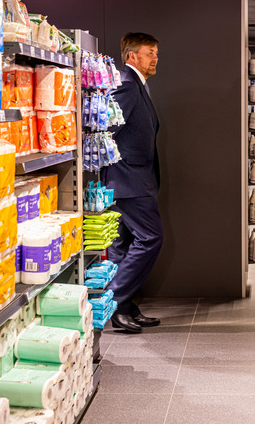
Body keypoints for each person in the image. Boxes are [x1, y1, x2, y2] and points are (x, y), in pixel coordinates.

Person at [101, 32, 164, 334]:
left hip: (128, 177)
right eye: (150, 52)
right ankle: (113, 303)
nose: (155, 57)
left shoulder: (136, 83)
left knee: (121, 244)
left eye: (155, 52)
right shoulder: (126, 84)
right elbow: (109, 125)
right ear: (132, 56)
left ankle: (124, 308)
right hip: (129, 177)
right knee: (150, 238)